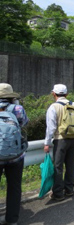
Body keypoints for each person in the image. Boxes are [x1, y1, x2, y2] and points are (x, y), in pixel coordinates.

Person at [44, 84, 74, 200]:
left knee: (58, 167)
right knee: (71, 165)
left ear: (54, 94)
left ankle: (58, 193)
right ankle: (69, 190)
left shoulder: (53, 107)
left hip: (60, 139)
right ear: (66, 94)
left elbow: (51, 127)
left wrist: (47, 142)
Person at [0, 83, 28, 225]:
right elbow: (23, 124)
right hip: (15, 156)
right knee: (14, 187)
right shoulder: (17, 108)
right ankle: (12, 220)